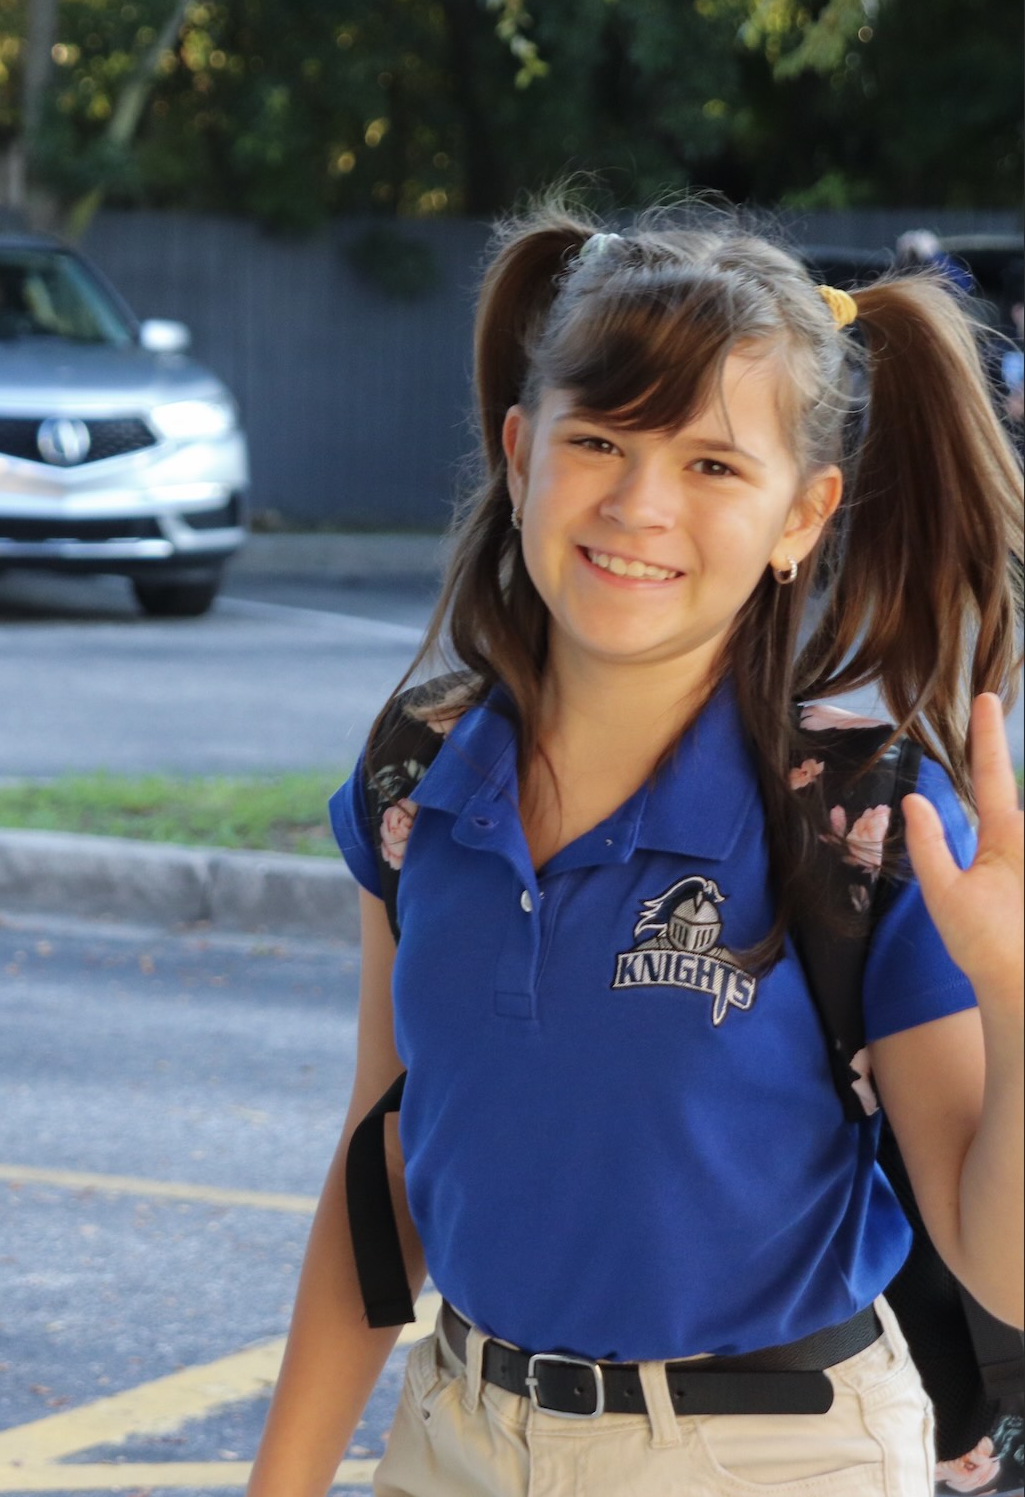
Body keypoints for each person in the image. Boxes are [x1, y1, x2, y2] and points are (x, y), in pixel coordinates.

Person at [245, 203, 1024, 1497]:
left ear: (802, 515)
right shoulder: (418, 771)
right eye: (598, 439)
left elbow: (1000, 1266)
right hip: (457, 1439)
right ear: (519, 449)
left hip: (771, 1455)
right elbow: (382, 1169)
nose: (638, 503)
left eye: (713, 464)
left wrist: (1017, 997)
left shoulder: (865, 820)